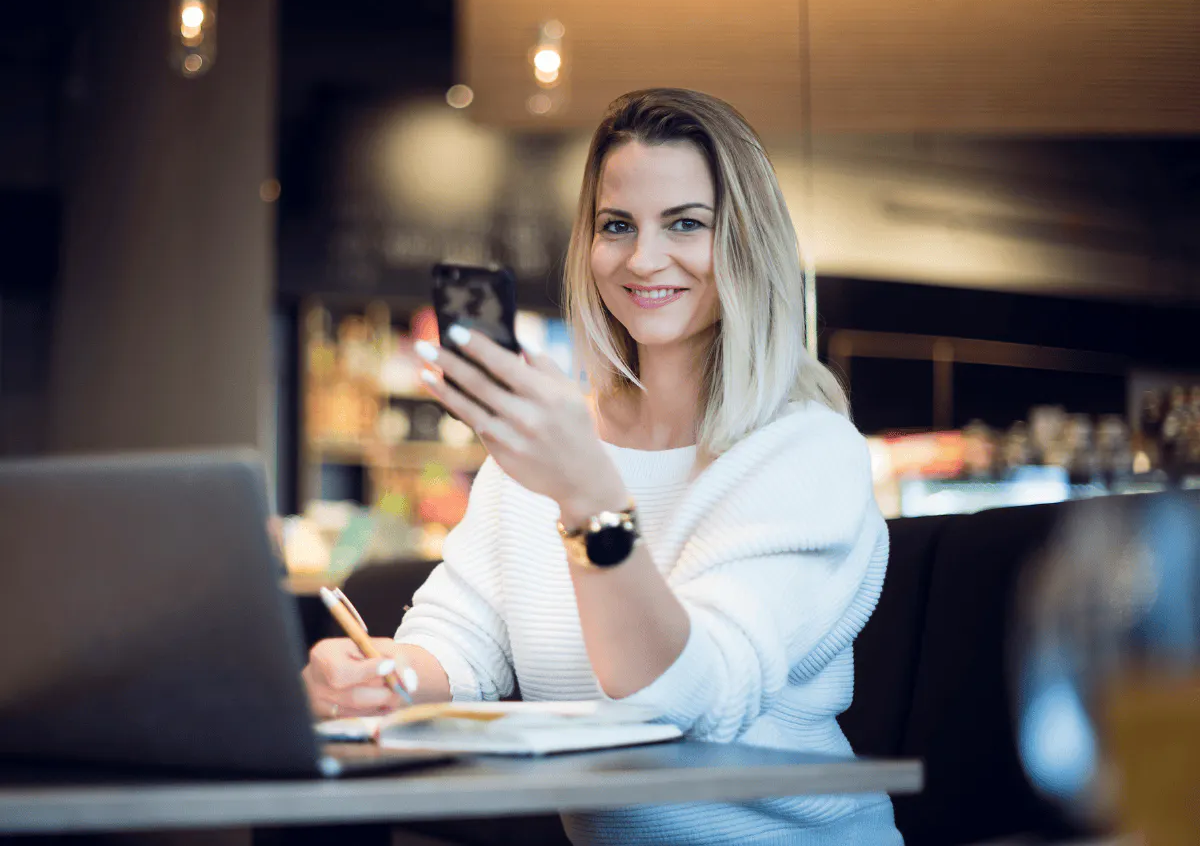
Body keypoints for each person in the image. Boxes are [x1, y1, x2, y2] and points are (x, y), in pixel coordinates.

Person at [303, 88, 902, 845]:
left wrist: (587, 494)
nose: (643, 258)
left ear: (747, 242)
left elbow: (683, 694)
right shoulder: (555, 442)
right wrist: (376, 680)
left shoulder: (806, 453)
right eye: (617, 226)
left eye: (685, 224)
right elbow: (459, 646)